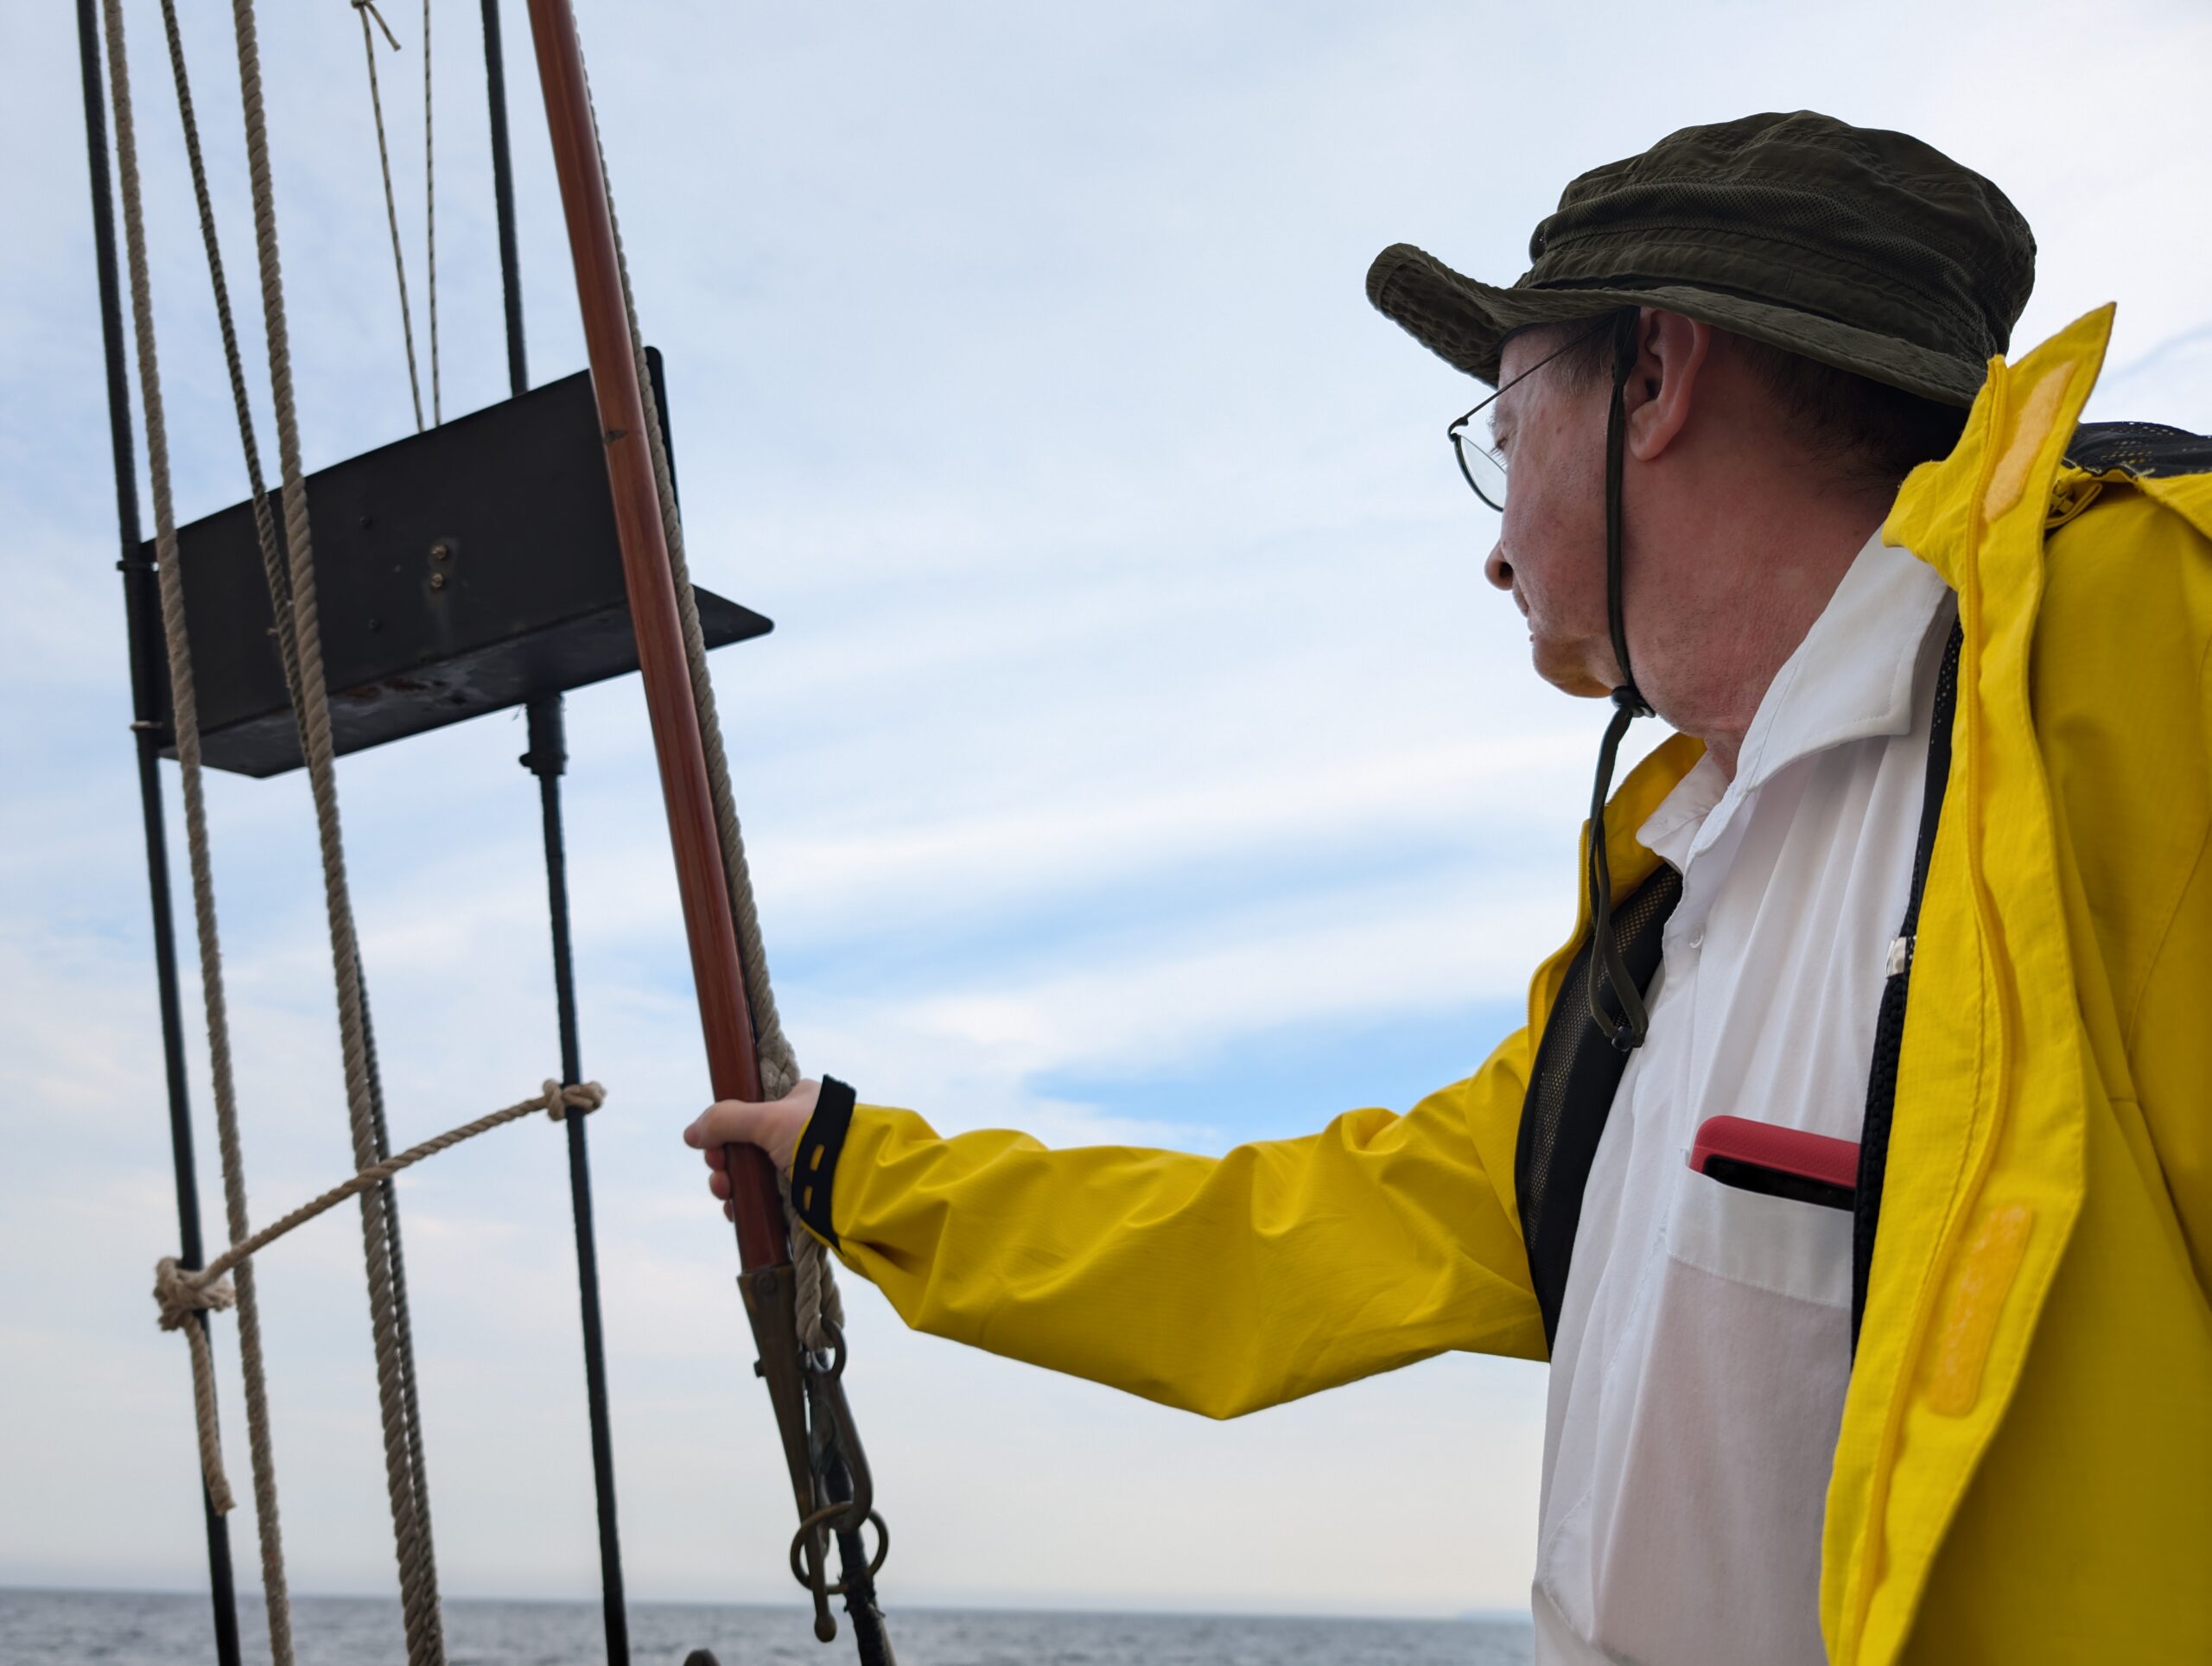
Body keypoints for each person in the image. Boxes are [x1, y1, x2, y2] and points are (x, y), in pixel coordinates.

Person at [683, 111, 2212, 1664]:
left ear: (1654, 378)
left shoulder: (2148, 643)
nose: (1491, 552)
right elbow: (1269, 1247)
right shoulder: (1667, 929)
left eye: (1502, 429)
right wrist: (854, 1169)